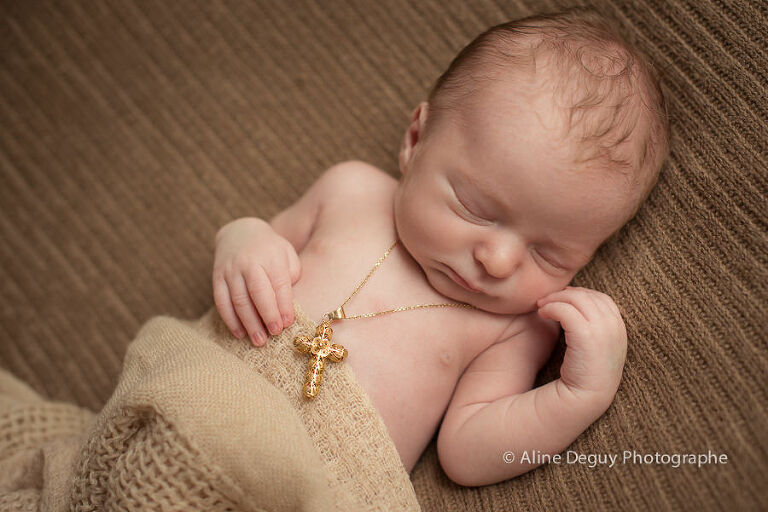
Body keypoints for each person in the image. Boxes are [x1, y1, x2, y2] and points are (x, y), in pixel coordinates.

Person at [212, 7, 669, 486]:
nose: (497, 261)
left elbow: (468, 454)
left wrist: (579, 395)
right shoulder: (351, 191)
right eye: (474, 207)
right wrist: (241, 238)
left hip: (320, 486)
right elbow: (265, 248)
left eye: (549, 254)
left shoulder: (514, 327)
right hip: (204, 395)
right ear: (415, 140)